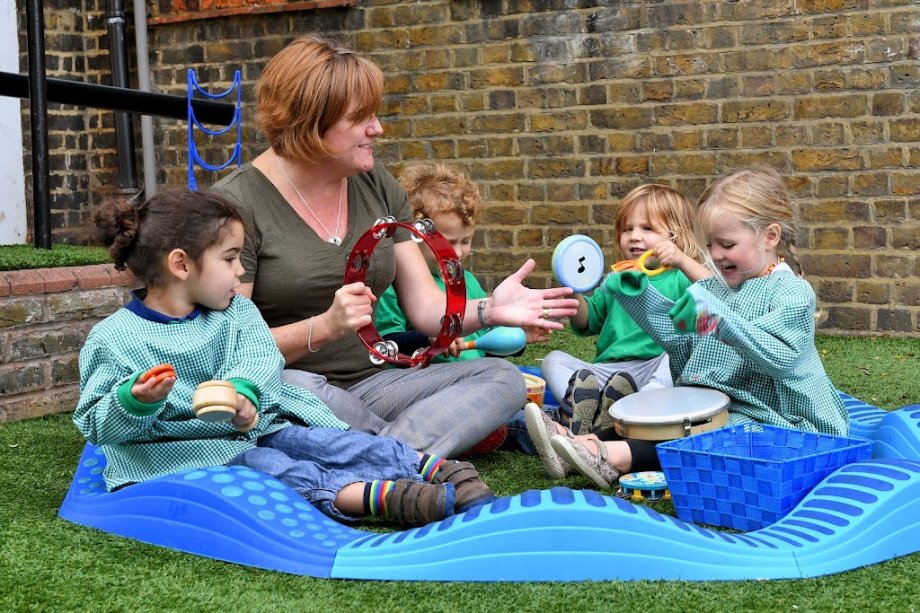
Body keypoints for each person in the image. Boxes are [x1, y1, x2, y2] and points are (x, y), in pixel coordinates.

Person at [209, 35, 577, 459]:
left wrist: (489, 309)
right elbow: (228, 349)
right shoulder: (236, 206)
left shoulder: (375, 184)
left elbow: (425, 309)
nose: (377, 128)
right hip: (295, 390)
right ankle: (408, 455)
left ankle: (377, 457)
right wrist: (324, 327)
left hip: (376, 384)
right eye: (360, 118)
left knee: (503, 378)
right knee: (293, 385)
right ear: (309, 122)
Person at [73, 191, 496, 528]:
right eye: (230, 258)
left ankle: (434, 468)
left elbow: (258, 357)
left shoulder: (234, 312)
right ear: (181, 264)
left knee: (323, 441)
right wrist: (135, 401)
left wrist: (243, 395)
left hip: (256, 426)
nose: (241, 271)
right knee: (275, 469)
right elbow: (95, 423)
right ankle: (381, 500)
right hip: (187, 453)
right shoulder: (114, 338)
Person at [527, 167, 849, 488]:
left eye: (726, 244)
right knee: (677, 421)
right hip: (732, 408)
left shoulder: (791, 292)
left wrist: (717, 319)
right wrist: (640, 299)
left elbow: (778, 356)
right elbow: (681, 346)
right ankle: (578, 443)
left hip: (788, 425)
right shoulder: (723, 288)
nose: (715, 255)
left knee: (703, 432)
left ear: (770, 236)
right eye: (710, 245)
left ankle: (610, 457)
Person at [374, 161, 550, 454]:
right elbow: (387, 345)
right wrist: (428, 340)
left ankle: (539, 426)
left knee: (514, 384)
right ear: (413, 236)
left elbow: (484, 344)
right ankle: (534, 432)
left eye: (465, 241)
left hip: (476, 384)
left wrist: (519, 337)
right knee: (515, 421)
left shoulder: (466, 281)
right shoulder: (395, 286)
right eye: (447, 243)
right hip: (431, 392)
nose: (457, 253)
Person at [540, 184, 709, 438]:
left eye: (647, 228)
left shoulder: (680, 277)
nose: (634, 236)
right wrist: (573, 287)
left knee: (673, 360)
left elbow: (715, 291)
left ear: (675, 236)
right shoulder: (616, 278)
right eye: (627, 229)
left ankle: (638, 408)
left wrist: (683, 260)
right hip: (609, 374)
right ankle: (594, 407)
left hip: (654, 368)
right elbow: (588, 320)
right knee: (554, 359)